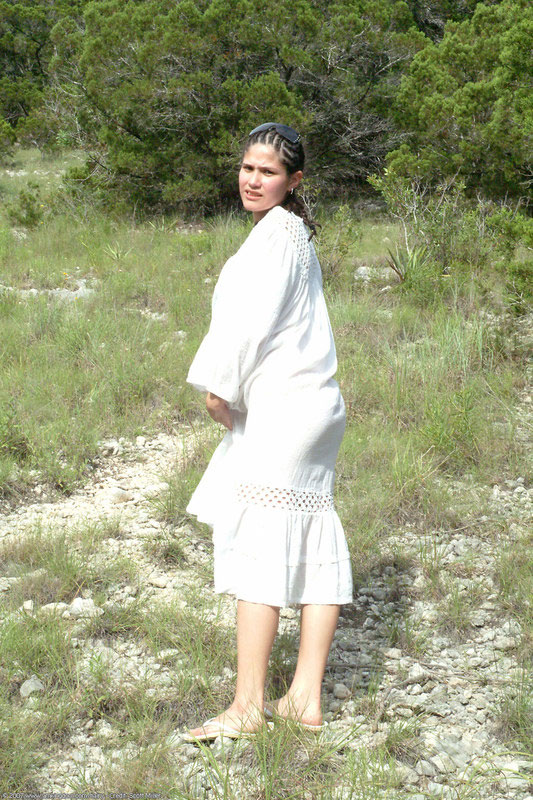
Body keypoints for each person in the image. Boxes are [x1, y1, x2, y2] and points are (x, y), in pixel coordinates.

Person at [183, 122, 353, 742]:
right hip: (313, 405)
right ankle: (304, 697)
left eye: (269, 172)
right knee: (310, 531)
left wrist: (219, 387)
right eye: (248, 168)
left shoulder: (278, 236)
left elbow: (251, 324)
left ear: (294, 180)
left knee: (260, 543)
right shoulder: (289, 233)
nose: (253, 180)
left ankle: (248, 706)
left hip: (286, 409)